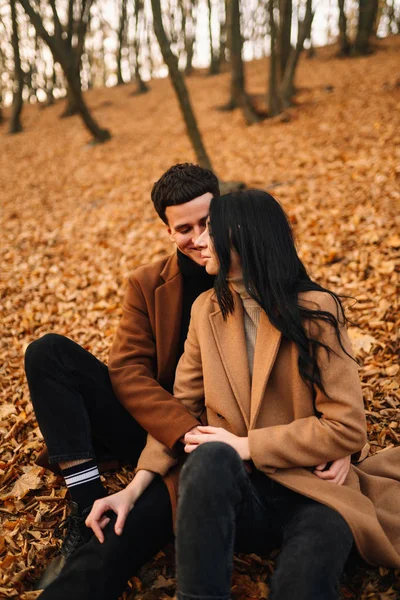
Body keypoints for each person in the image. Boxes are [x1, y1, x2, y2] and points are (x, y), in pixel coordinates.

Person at [29, 174, 354, 598]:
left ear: (235, 225)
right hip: (188, 442)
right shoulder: (185, 299)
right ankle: (86, 504)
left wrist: (337, 443)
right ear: (168, 231)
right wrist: (148, 472)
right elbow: (140, 378)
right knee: (119, 537)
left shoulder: (306, 303)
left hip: (292, 469)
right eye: (185, 229)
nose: (200, 239)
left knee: (307, 570)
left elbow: (341, 408)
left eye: (209, 225)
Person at [86, 190, 400, 600]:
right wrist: (133, 488)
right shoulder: (205, 311)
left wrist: (247, 445)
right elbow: (182, 408)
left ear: (242, 236)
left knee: (302, 585)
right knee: (210, 454)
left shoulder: (316, 311)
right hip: (240, 494)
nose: (197, 242)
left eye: (209, 231)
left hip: (317, 493)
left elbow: (346, 427)